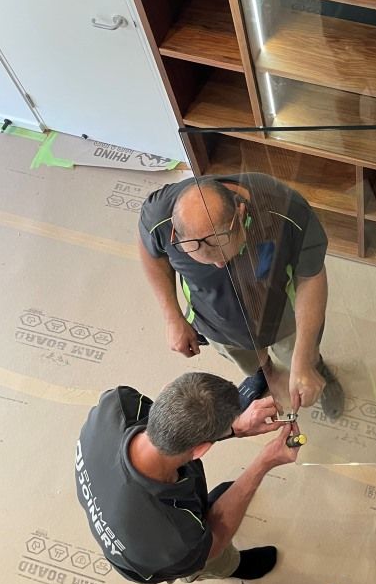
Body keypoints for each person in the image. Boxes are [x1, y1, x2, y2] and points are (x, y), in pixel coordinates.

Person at [137, 172, 344, 419]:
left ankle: (316, 367)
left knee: (301, 354)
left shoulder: (286, 209)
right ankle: (264, 372)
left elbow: (311, 277)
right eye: (207, 260)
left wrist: (302, 361)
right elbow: (149, 251)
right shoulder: (159, 215)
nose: (219, 266)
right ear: (175, 236)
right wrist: (172, 317)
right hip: (218, 323)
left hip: (282, 319)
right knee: (248, 361)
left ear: (241, 215)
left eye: (225, 255)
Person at [75, 372, 300, 584]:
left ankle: (208, 509)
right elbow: (213, 544)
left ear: (165, 392)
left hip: (120, 502)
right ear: (201, 450)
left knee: (201, 511)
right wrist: (264, 462)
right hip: (149, 557)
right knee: (212, 559)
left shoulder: (119, 404)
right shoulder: (176, 540)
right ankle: (232, 567)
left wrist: (233, 428)